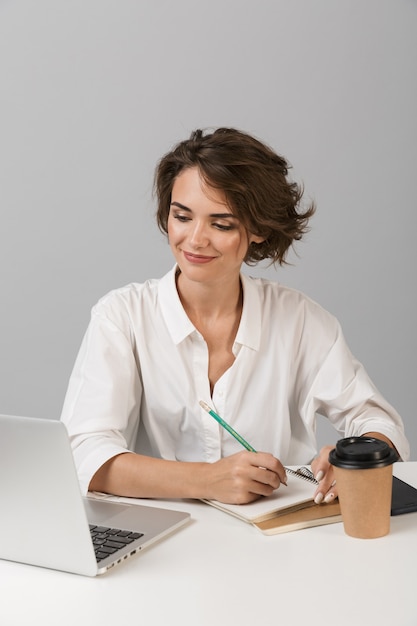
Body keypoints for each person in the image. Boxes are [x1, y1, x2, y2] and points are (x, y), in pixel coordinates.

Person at [61, 127, 409, 506]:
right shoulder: (122, 316)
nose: (195, 240)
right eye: (182, 216)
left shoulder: (300, 321)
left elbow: (378, 422)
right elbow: (83, 453)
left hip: (279, 542)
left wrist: (359, 457)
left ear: (257, 228)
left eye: (221, 224)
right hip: (159, 544)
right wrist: (207, 480)